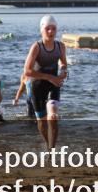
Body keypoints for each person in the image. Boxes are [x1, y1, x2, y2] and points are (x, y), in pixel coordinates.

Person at [17, 15, 68, 148]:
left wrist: (63, 72)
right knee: (42, 121)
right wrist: (50, 77)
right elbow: (27, 71)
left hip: (53, 85)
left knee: (53, 116)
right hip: (37, 86)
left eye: (53, 28)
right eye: (47, 29)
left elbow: (63, 63)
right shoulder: (37, 47)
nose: (51, 32)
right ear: (41, 30)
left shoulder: (61, 46)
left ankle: (51, 150)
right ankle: (47, 144)